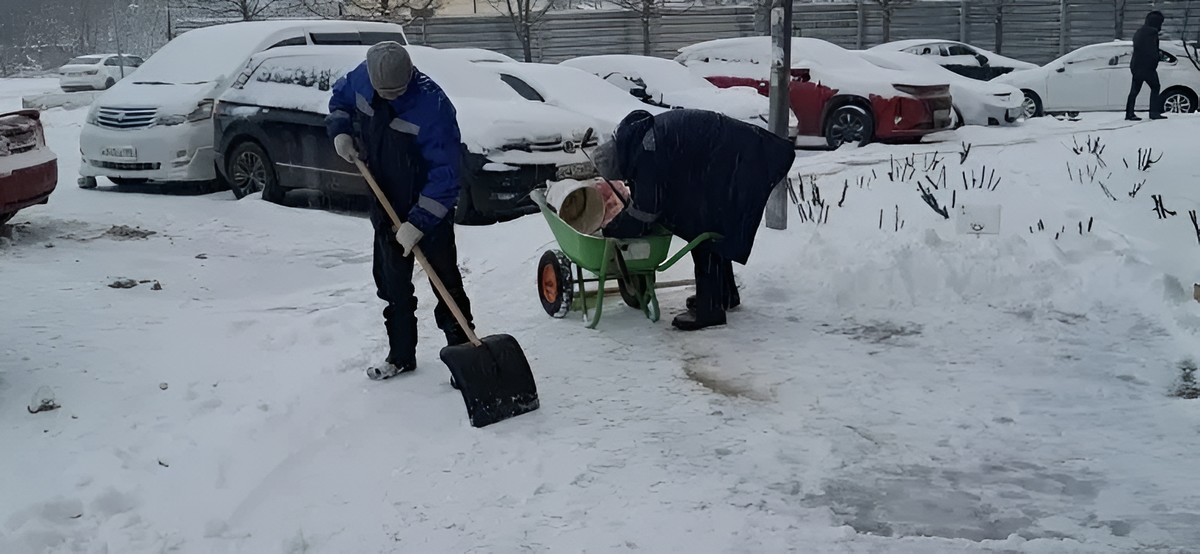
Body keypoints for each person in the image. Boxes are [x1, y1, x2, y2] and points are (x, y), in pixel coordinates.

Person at [325, 42, 474, 380]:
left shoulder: (433, 106)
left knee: (445, 284)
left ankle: (465, 356)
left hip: (427, 208)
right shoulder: (361, 79)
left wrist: (418, 222)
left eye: (397, 92)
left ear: (410, 76)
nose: (391, 97)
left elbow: (447, 175)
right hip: (384, 200)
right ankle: (401, 355)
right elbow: (340, 101)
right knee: (393, 287)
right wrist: (341, 133)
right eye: (385, 92)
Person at [591, 109, 796, 331]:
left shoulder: (645, 154)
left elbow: (646, 212)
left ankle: (710, 310)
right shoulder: (638, 139)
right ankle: (723, 295)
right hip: (733, 152)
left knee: (703, 230)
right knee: (713, 226)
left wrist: (615, 228)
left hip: (737, 158)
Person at [1126, 10, 1167, 121]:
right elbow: (1151, 51)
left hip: (1136, 65)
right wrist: (1157, 59)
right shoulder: (1152, 33)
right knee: (1155, 87)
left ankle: (1129, 113)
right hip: (1147, 67)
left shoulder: (1139, 31)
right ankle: (1154, 112)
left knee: (1134, 90)